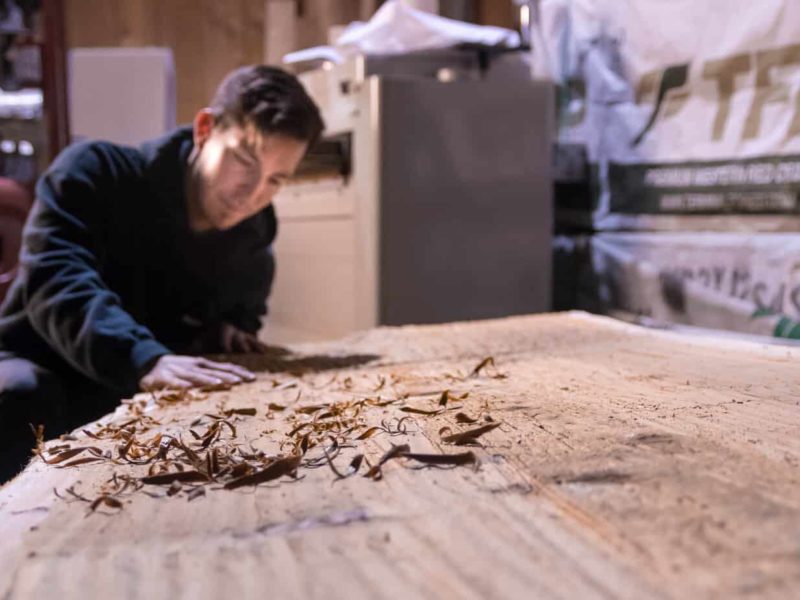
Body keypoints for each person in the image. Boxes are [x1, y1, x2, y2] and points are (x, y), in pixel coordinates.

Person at [0, 65, 324, 482]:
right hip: (42, 363)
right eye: (244, 160)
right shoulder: (95, 172)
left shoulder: (253, 239)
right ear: (205, 130)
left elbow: (241, 314)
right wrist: (141, 356)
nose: (252, 193)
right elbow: (56, 279)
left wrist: (226, 331)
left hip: (139, 386)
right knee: (21, 394)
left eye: (275, 180)